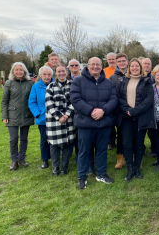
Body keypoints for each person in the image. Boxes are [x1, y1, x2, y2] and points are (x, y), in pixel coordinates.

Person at [70, 57, 118, 189]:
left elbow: (114, 100)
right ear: (88, 66)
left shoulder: (108, 83)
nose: (95, 67)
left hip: (104, 123)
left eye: (98, 65)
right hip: (86, 123)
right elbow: (75, 99)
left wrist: (103, 110)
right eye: (93, 64)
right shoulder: (78, 81)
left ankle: (101, 174)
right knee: (84, 151)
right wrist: (91, 111)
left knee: (102, 150)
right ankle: (82, 176)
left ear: (102, 66)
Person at [116, 58, 155, 182]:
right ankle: (130, 169)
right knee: (127, 144)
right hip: (126, 118)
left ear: (140, 68)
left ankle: (137, 168)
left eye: (136, 66)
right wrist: (127, 110)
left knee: (139, 144)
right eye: (132, 66)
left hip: (140, 117)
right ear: (129, 68)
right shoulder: (122, 80)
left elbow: (148, 100)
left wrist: (134, 111)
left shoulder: (147, 81)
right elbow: (118, 97)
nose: (134, 68)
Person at [1, 62, 34, 170]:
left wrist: (34, 114)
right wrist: (4, 115)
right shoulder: (9, 83)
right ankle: (14, 160)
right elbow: (4, 101)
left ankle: (22, 158)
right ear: (13, 71)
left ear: (24, 71)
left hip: (26, 114)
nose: (19, 72)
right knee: (14, 139)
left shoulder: (30, 83)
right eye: (16, 70)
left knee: (24, 139)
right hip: (12, 115)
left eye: (21, 70)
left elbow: (33, 99)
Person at [45, 64, 75, 176]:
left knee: (68, 143)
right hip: (54, 120)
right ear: (55, 73)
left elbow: (75, 101)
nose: (62, 73)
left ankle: (65, 167)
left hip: (69, 119)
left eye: (63, 71)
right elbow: (49, 103)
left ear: (66, 72)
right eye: (59, 72)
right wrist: (59, 116)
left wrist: (66, 115)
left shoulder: (72, 85)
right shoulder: (51, 86)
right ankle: (55, 167)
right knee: (54, 145)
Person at [29, 66, 54, 169]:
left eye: (49, 74)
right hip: (43, 118)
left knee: (54, 139)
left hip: (54, 118)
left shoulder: (56, 84)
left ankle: (55, 158)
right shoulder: (36, 87)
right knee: (44, 139)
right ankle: (45, 159)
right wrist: (38, 114)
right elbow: (31, 102)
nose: (47, 77)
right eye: (44, 74)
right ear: (40, 75)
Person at [108, 53, 129, 151]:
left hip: (132, 109)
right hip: (118, 110)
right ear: (117, 63)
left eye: (123, 60)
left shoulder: (132, 75)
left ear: (127, 61)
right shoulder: (112, 77)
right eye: (119, 61)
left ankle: (133, 154)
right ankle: (120, 156)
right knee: (120, 133)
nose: (122, 63)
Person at [141, 58, 156, 157]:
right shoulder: (138, 77)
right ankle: (141, 149)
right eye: (145, 63)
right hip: (141, 108)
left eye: (149, 64)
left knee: (152, 131)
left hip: (152, 108)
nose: (147, 65)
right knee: (141, 132)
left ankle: (154, 149)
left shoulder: (154, 77)